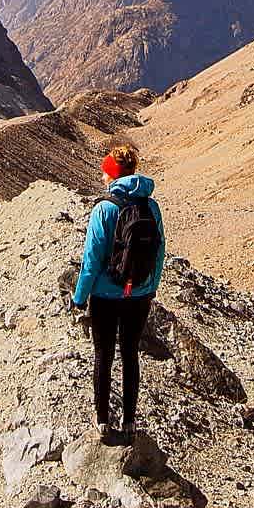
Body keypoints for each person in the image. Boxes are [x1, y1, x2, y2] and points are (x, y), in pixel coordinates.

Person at [70, 142, 165, 441]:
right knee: (130, 355)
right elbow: (160, 252)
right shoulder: (151, 207)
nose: (102, 177)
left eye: (105, 172)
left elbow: (91, 259)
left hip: (106, 296)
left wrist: (79, 296)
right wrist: (150, 287)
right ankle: (130, 421)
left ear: (113, 174)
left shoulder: (104, 209)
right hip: (139, 293)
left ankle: (101, 420)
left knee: (103, 354)